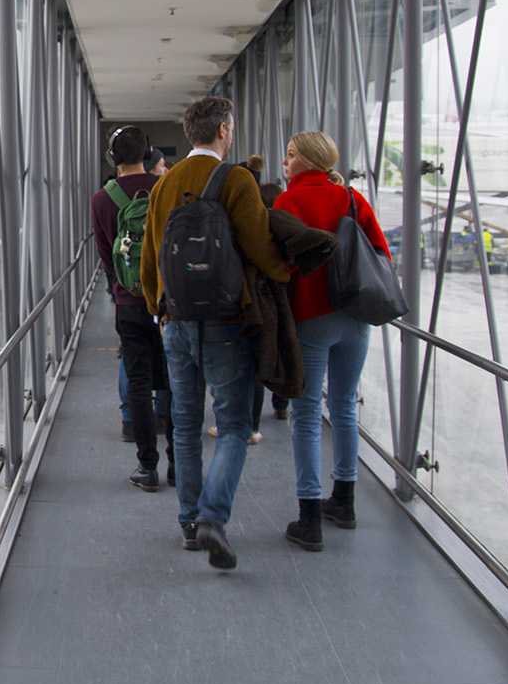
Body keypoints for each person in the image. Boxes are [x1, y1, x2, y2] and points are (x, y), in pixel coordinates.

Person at [140, 96, 289, 569]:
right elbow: (260, 246)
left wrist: (159, 309)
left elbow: (149, 258)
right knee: (233, 424)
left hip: (175, 320)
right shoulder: (238, 179)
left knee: (184, 423)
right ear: (224, 129)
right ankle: (212, 517)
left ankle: (187, 523)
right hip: (225, 319)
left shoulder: (166, 186)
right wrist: (285, 276)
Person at [274, 131, 391, 551]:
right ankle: (345, 500)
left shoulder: (287, 203)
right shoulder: (352, 200)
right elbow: (381, 254)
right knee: (343, 407)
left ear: (306, 160)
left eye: (290, 155)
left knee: (305, 417)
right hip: (355, 320)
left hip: (311, 320)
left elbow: (277, 265)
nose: (284, 162)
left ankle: (309, 518)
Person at [92, 125, 171, 491]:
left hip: (128, 303)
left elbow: (107, 256)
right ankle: (178, 464)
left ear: (113, 158)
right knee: (172, 384)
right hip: (168, 302)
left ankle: (147, 466)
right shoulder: (163, 190)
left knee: (138, 383)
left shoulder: (101, 199)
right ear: (149, 153)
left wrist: (122, 283)